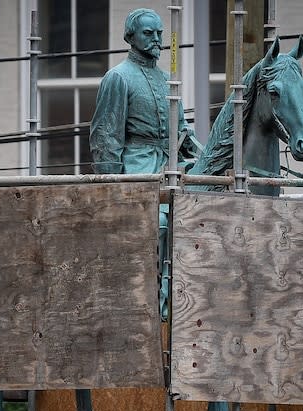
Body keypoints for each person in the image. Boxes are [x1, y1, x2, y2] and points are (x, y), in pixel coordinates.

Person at [90, 7, 196, 319]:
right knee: (159, 223)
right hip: (138, 162)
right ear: (131, 37)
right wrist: (112, 190)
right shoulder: (118, 77)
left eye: (160, 33)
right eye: (149, 33)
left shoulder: (167, 79)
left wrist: (204, 155)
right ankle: (153, 301)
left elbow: (184, 131)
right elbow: (105, 136)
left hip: (172, 161)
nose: (157, 39)